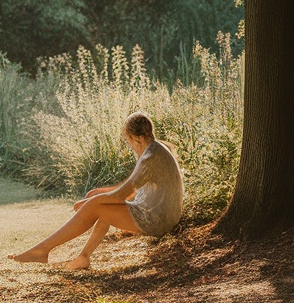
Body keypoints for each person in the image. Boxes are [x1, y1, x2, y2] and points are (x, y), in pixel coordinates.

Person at [9, 111, 183, 270]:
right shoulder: (155, 148)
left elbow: (122, 195)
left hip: (158, 221)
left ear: (135, 138)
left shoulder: (150, 158)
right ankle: (83, 257)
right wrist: (99, 193)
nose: (129, 146)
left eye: (128, 141)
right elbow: (130, 189)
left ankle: (41, 251)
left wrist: (89, 203)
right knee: (99, 203)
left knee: (97, 206)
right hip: (159, 215)